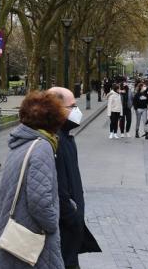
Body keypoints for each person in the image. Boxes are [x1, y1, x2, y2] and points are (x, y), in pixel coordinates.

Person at [0, 91, 66, 268]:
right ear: (54, 120)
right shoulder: (42, 147)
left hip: (13, 230)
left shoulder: (20, 143)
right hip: (32, 237)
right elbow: (40, 201)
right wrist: (52, 224)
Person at [48, 87, 101, 269]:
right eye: (72, 106)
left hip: (70, 228)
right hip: (64, 229)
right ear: (56, 109)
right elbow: (59, 190)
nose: (76, 111)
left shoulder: (66, 138)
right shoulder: (55, 142)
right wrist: (73, 218)